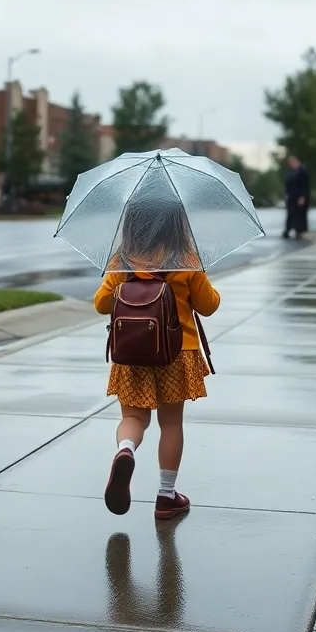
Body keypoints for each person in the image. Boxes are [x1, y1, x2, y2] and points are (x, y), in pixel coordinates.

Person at [95, 198, 220, 520]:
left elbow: (101, 304)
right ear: (176, 224)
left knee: (134, 419)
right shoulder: (186, 261)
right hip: (177, 353)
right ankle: (166, 496)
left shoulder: (121, 261)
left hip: (132, 353)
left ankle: (126, 449)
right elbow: (208, 306)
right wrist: (198, 274)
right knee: (171, 423)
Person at [282, 154, 310, 239]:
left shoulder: (302, 171)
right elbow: (287, 185)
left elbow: (305, 185)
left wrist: (303, 196)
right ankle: (288, 230)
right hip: (291, 196)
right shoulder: (291, 172)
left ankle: (299, 230)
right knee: (290, 214)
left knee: (299, 214)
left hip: (299, 196)